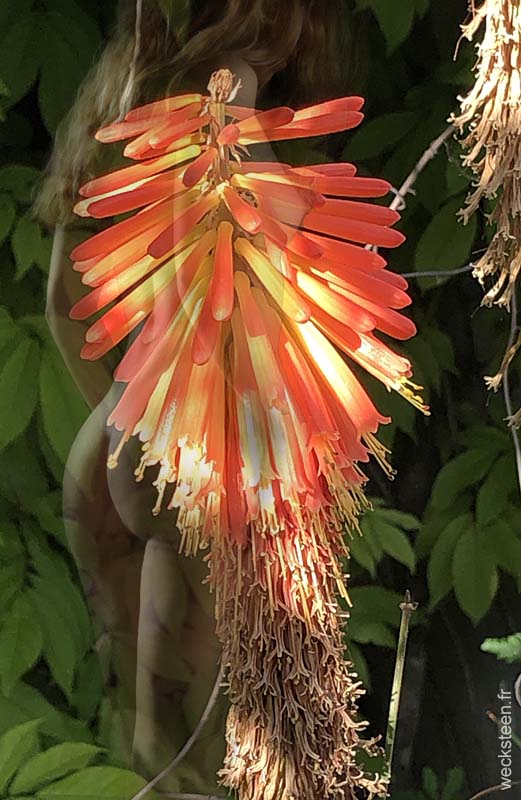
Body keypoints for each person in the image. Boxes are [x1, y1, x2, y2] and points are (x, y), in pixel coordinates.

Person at [37, 0, 355, 789]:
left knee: (152, 751)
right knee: (216, 764)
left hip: (114, 436)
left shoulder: (119, 99)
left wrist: (127, 420)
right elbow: (247, 266)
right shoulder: (230, 86)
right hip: (203, 456)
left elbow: (58, 302)